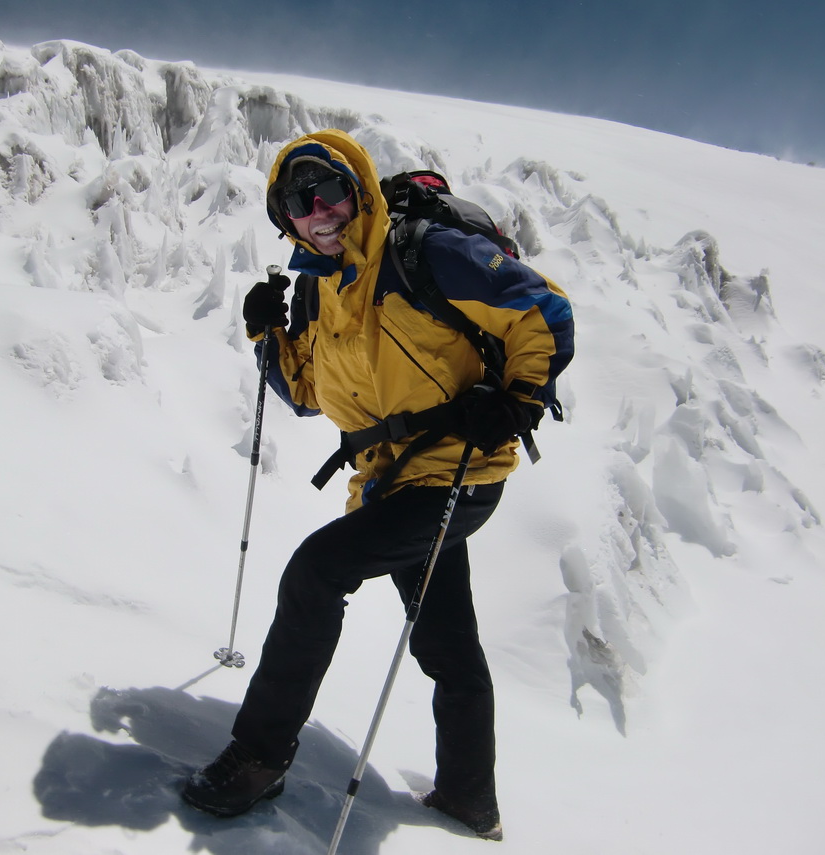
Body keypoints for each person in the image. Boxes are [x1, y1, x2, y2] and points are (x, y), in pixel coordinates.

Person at [182, 129, 574, 840]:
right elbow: (305, 392)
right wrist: (268, 336)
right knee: (446, 644)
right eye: (297, 201)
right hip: (391, 484)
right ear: (285, 218)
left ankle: (260, 756)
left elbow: (540, 309)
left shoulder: (425, 254)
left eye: (326, 189)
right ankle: (469, 802)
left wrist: (516, 400)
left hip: (459, 472)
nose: (316, 209)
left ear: (356, 190)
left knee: (314, 572)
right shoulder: (319, 289)